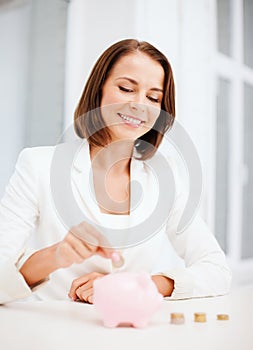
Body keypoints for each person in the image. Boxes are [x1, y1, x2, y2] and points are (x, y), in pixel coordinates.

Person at [0, 39, 231, 304]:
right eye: (126, 88)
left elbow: (216, 270)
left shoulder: (165, 179)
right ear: (99, 90)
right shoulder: (38, 165)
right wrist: (55, 256)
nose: (140, 105)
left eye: (153, 97)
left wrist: (141, 284)